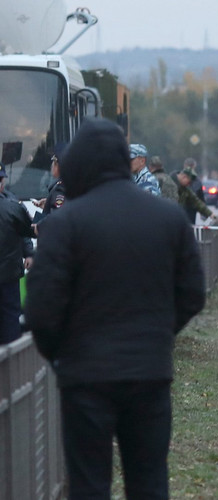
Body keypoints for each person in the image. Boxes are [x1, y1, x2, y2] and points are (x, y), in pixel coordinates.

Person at [25, 118, 206, 499]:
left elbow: (42, 307)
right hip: (149, 372)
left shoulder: (64, 224)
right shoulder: (168, 218)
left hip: (84, 376)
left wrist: (63, 353)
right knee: (149, 478)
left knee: (89, 482)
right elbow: (191, 293)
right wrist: (158, 333)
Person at [0, 164, 35, 344]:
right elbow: (29, 231)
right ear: (2, 182)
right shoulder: (13, 206)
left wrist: (28, 253)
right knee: (10, 321)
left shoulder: (12, 203)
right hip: (8, 275)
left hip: (8, 273)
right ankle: (11, 368)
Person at [32, 143, 68, 222]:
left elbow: (56, 222)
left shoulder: (60, 190)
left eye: (54, 162)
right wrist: (48, 205)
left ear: (59, 166)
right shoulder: (69, 184)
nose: (52, 165)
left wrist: (38, 225)